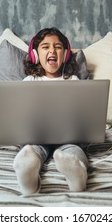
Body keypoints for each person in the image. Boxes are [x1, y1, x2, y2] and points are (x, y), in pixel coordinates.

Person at [13, 27, 88, 195]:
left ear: (66, 54)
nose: (52, 50)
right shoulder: (29, 80)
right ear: (35, 55)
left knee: (73, 148)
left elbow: (83, 113)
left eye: (58, 47)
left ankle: (77, 174)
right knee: (33, 147)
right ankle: (28, 174)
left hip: (68, 134)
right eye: (45, 47)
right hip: (38, 134)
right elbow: (21, 113)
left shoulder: (73, 80)